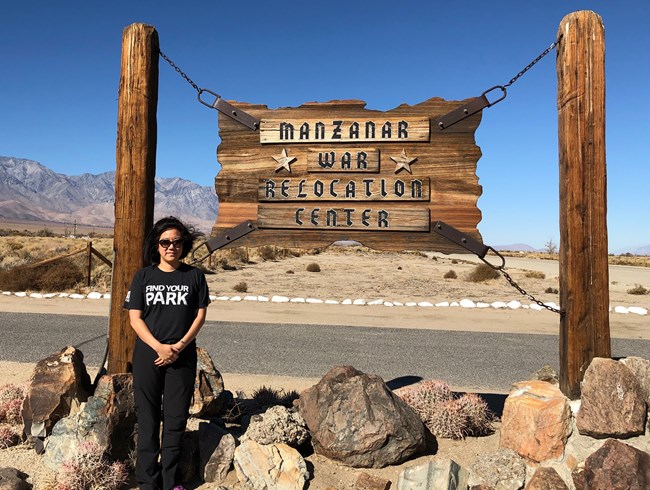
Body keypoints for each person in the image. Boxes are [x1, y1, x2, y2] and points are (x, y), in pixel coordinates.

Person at [124, 216, 210, 490]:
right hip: (149, 354)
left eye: (176, 242)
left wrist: (178, 347)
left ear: (184, 245)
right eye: (165, 242)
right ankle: (148, 482)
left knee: (175, 420)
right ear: (157, 246)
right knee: (148, 418)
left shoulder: (194, 276)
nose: (171, 247)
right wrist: (159, 346)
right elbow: (135, 318)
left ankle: (170, 482)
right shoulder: (144, 277)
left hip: (182, 356)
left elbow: (200, 316)